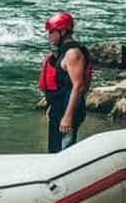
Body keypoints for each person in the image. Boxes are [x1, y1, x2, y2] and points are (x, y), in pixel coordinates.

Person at [37, 12, 93, 153]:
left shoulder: (73, 53)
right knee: (54, 148)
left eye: (52, 32)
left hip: (68, 110)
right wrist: (52, 105)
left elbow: (78, 86)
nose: (49, 35)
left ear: (62, 31)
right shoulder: (62, 52)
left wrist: (68, 116)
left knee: (64, 150)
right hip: (59, 108)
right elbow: (61, 84)